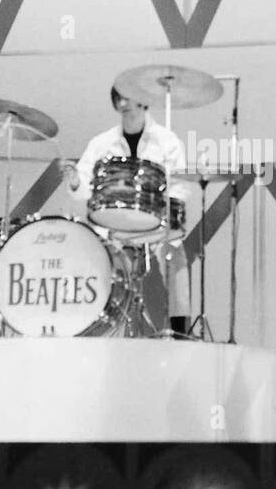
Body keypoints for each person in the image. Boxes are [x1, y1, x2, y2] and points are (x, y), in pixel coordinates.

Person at [64, 85, 192, 335]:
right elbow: (84, 186)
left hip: (156, 223)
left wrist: (162, 216)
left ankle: (181, 332)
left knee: (177, 258)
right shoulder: (101, 143)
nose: (125, 103)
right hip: (115, 225)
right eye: (120, 98)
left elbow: (180, 187)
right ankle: (100, 327)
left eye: (130, 97)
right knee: (96, 256)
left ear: (143, 101)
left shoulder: (167, 142)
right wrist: (74, 181)